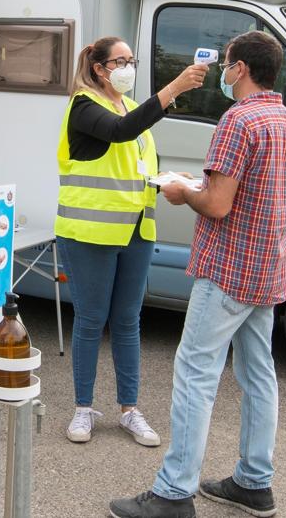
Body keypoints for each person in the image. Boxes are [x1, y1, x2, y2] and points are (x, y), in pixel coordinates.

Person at [110, 31, 286, 518]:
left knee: (196, 374)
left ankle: (174, 492)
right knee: (258, 374)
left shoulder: (238, 121)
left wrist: (183, 192)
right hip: (268, 267)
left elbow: (218, 205)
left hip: (227, 268)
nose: (223, 71)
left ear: (239, 69)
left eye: (226, 63)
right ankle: (253, 482)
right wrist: (214, 188)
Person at [55, 36, 208, 448]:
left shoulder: (126, 106)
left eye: (131, 60)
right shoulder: (84, 106)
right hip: (90, 232)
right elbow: (119, 134)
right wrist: (174, 88)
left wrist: (167, 181)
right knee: (91, 320)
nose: (127, 67)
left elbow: (134, 166)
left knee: (127, 321)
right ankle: (83, 408)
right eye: (119, 61)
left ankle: (129, 410)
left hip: (136, 230)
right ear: (99, 68)